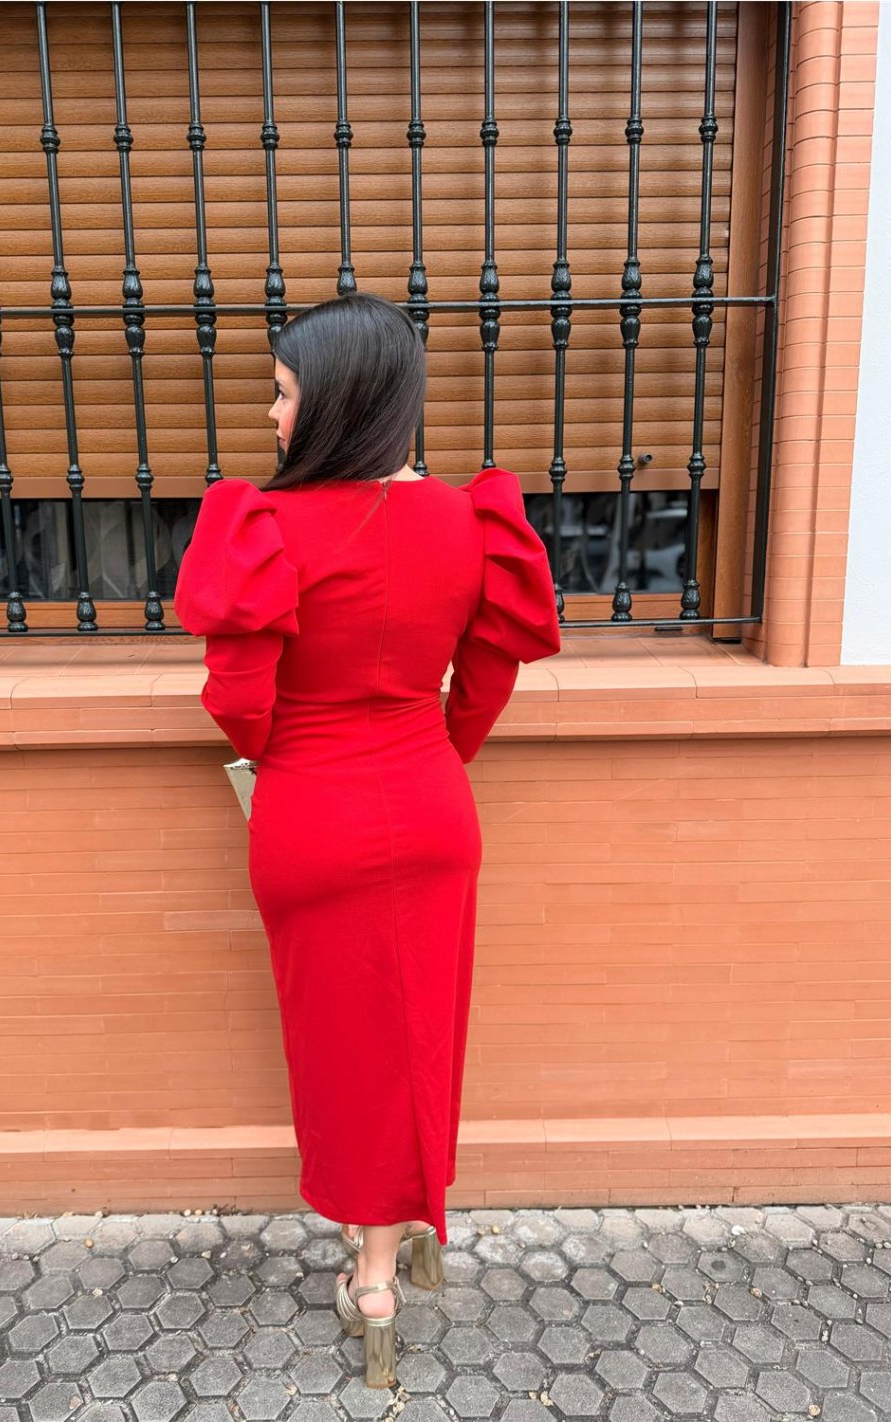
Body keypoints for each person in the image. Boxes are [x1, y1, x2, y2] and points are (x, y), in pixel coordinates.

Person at [173, 292, 561, 1388]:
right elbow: (487, 679)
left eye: (283, 393)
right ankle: (412, 1235)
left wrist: (295, 757)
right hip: (432, 803)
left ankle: (372, 1275)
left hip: (310, 810)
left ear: (336, 398)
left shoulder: (262, 525)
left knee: (342, 1050)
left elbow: (238, 699)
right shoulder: (472, 520)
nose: (271, 415)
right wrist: (435, 753)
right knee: (423, 1032)